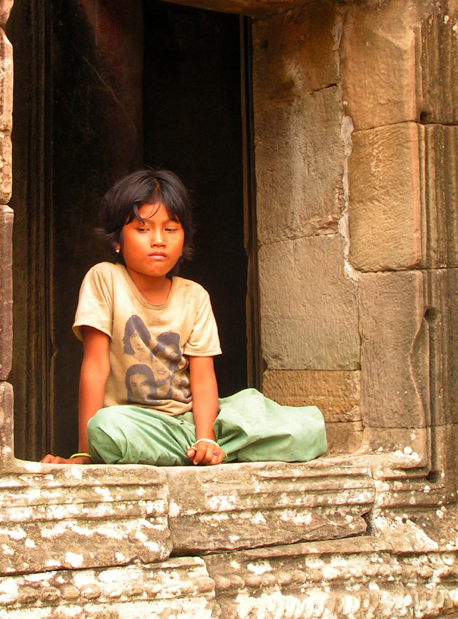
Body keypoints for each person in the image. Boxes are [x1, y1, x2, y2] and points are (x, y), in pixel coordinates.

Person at [41, 169, 327, 467]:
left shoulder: (195, 296)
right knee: (105, 428)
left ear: (184, 239)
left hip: (190, 424)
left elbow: (202, 379)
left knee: (299, 426)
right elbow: (96, 366)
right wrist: (85, 453)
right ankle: (198, 454)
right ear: (117, 240)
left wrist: (205, 438)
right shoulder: (104, 279)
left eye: (170, 229)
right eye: (142, 229)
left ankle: (202, 452)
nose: (158, 240)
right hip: (136, 425)